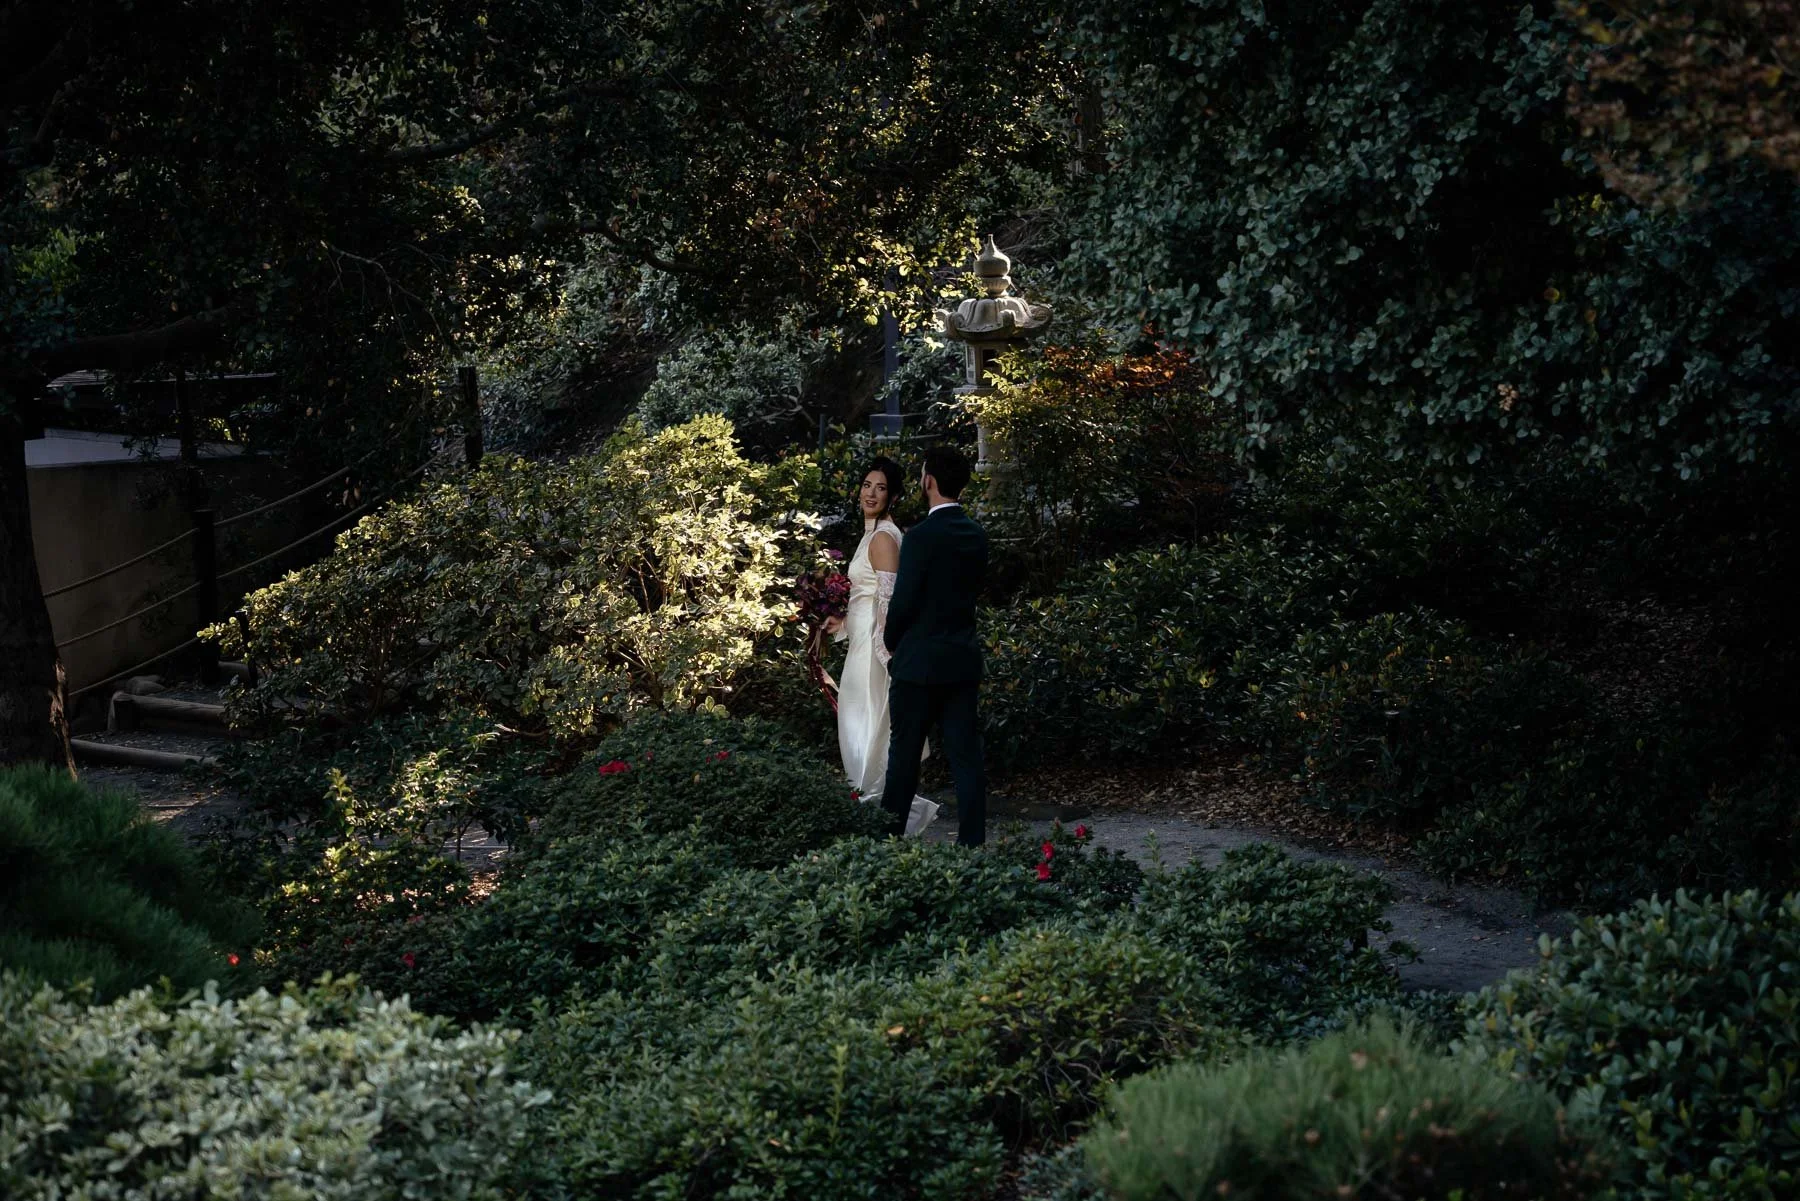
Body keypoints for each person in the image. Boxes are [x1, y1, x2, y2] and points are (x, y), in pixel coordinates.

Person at [878, 444, 988, 845]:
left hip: (918, 663)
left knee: (904, 759)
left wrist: (891, 642)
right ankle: (972, 844)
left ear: (929, 481)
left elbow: (904, 601)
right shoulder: (976, 535)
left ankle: (887, 842)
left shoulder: (921, 537)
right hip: (960, 659)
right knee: (966, 758)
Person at [824, 457, 940, 836]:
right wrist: (841, 622)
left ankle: (880, 816)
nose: (871, 493)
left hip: (874, 654)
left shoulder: (884, 537)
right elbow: (865, 596)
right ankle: (870, 814)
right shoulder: (871, 533)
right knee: (856, 729)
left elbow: (890, 602)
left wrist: (885, 655)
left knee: (868, 729)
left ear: (893, 496)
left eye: (881, 488)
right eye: (867, 485)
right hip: (859, 644)